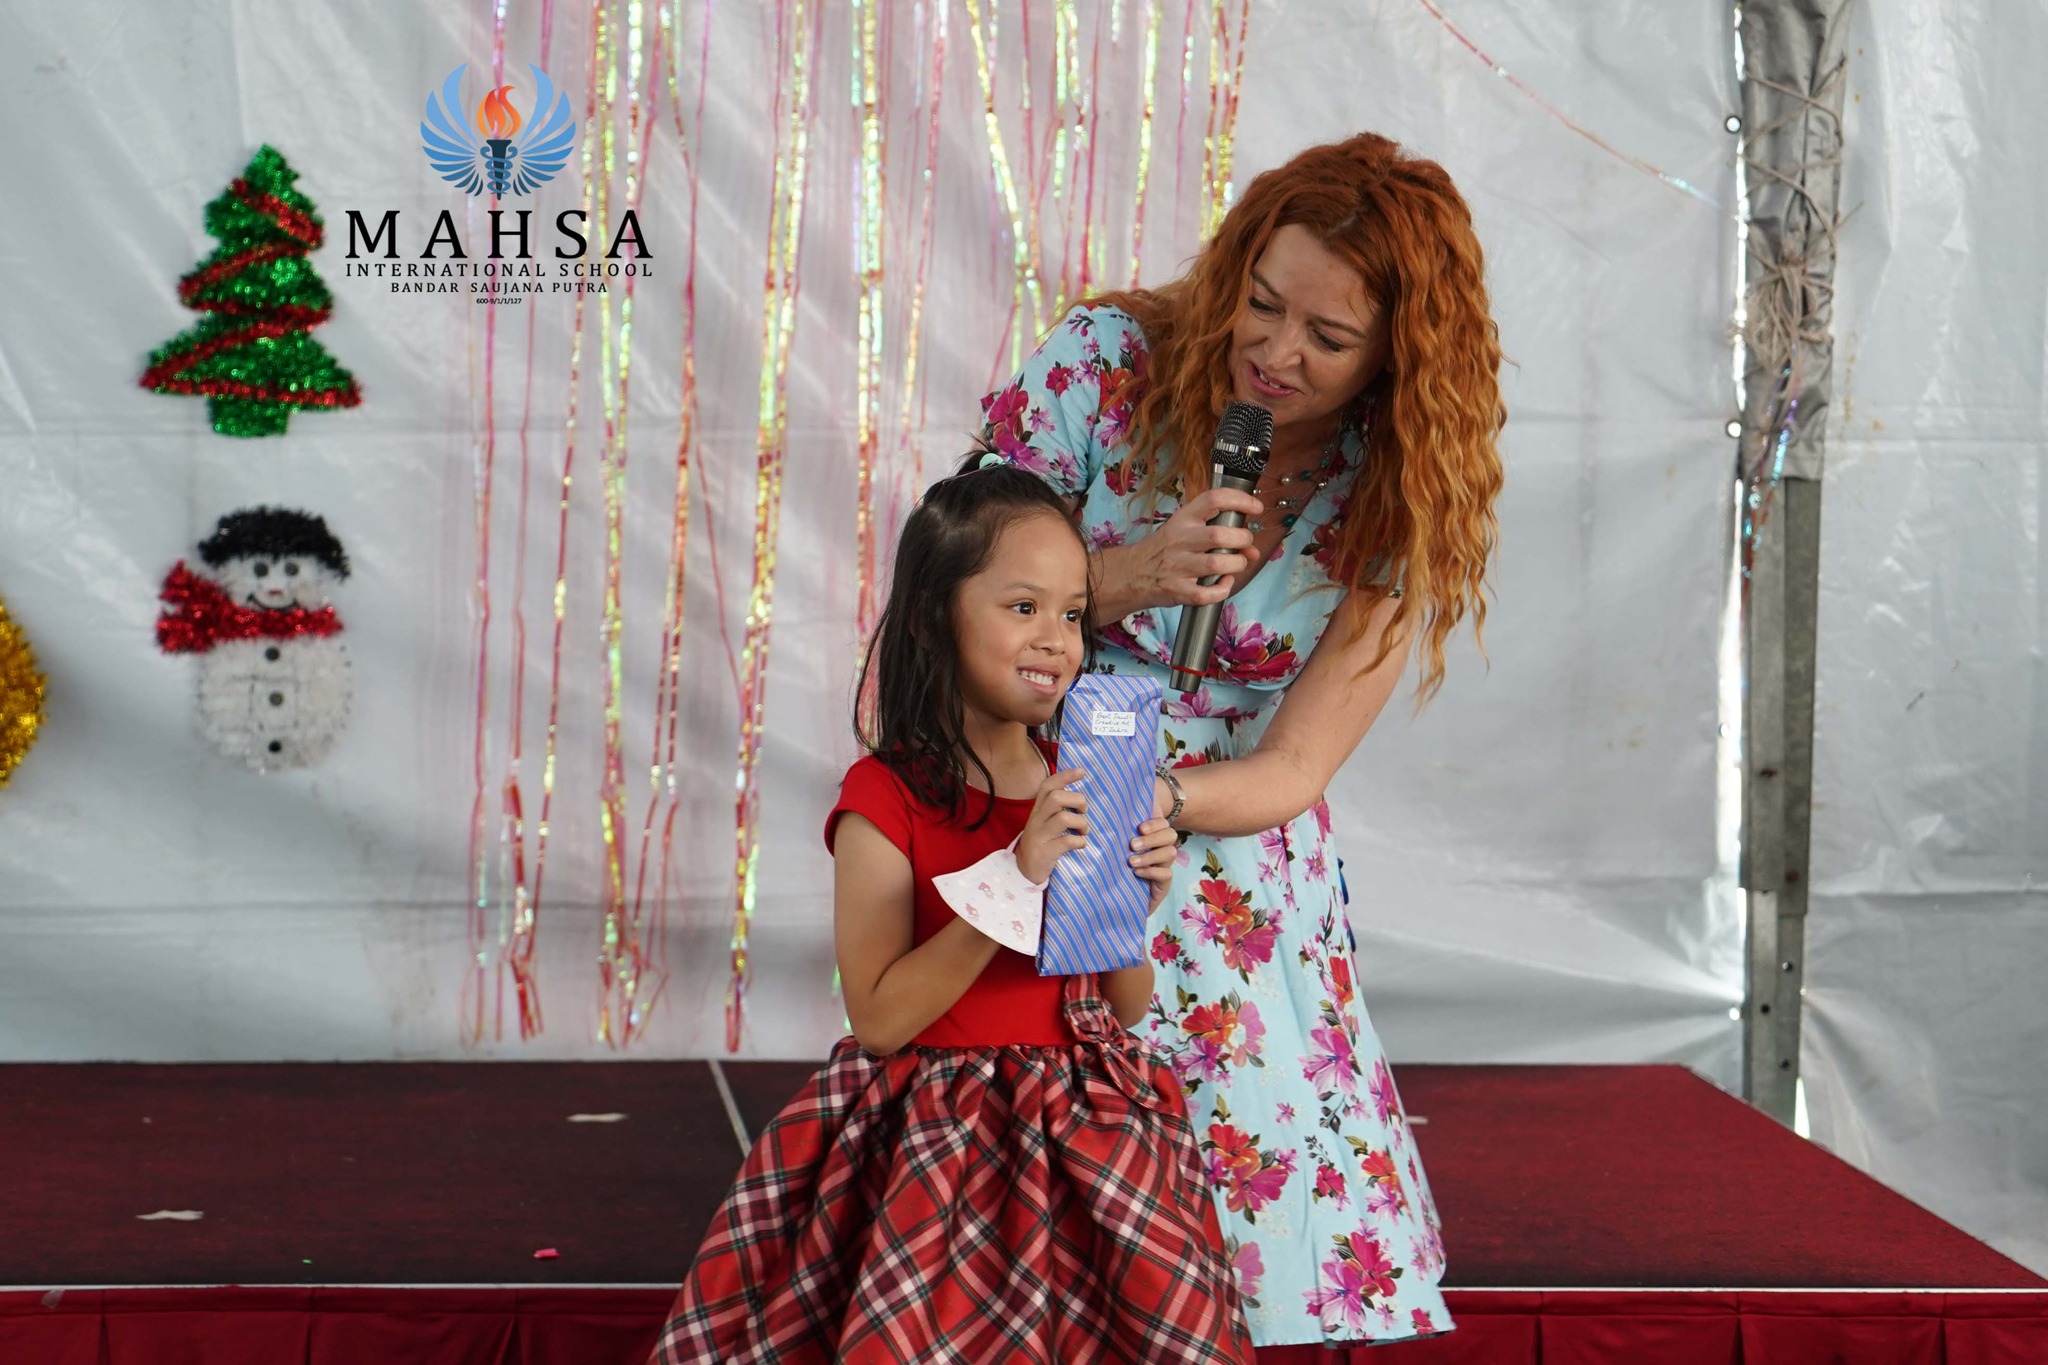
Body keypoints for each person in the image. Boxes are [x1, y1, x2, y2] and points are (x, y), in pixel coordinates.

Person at [974, 132, 1504, 1353]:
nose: (1274, 351)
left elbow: (1296, 766)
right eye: (1261, 304)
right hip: (1029, 790)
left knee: (1236, 1223)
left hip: (1215, 837)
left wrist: (1150, 799)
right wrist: (1124, 576)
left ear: (1396, 355)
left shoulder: (1403, 480)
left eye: (1327, 337)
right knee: (1026, 1222)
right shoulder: (1105, 362)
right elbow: (950, 595)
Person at [650, 461, 1253, 1364]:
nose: (1055, 639)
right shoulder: (885, 796)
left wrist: (1130, 899)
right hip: (938, 1149)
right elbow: (881, 1017)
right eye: (1023, 607)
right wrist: (1013, 879)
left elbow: (1121, 1007)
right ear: (935, 615)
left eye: (1073, 614)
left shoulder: (1078, 778)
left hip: (1086, 1140)